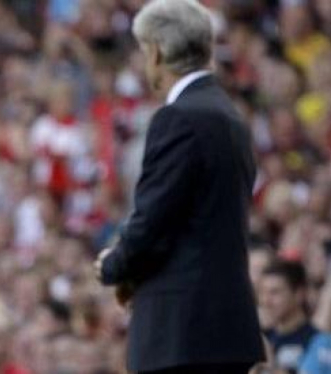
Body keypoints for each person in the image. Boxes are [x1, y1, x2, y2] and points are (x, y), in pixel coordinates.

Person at [94, 0, 265, 373]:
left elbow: (154, 219)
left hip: (183, 332)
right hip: (226, 328)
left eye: (143, 51)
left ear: (156, 51)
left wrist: (114, 265)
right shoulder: (230, 116)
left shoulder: (179, 117)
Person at [261, 261, 318, 373]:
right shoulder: (264, 339)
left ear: (299, 294)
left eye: (275, 292)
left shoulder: (317, 342)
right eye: (262, 292)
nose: (266, 301)